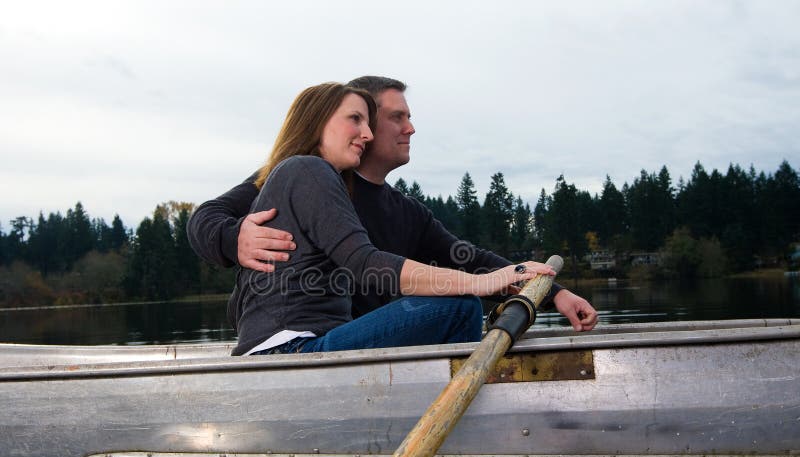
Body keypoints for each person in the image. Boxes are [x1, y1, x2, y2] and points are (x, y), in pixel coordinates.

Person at [188, 76, 598, 334]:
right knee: (459, 305)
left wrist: (554, 293)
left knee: (458, 305)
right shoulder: (302, 176)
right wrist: (234, 238)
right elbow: (205, 218)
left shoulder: (405, 212)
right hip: (311, 342)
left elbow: (468, 259)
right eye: (396, 117)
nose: (410, 128)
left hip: (366, 345)